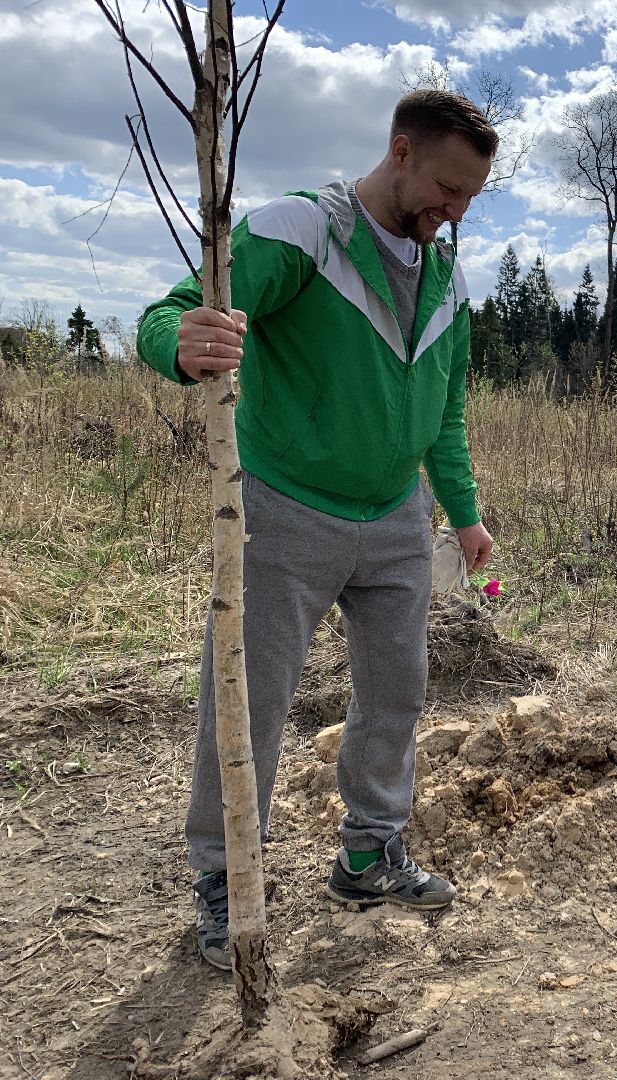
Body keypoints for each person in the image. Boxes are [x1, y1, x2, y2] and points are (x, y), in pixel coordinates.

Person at [137, 90, 498, 969]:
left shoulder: (445, 281)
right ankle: (229, 879)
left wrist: (464, 513)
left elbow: (443, 415)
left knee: (398, 686)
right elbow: (174, 311)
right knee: (249, 698)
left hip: (396, 523)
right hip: (285, 511)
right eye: (446, 189)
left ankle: (369, 854)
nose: (451, 215)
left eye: (469, 202)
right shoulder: (302, 231)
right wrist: (178, 345)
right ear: (401, 150)